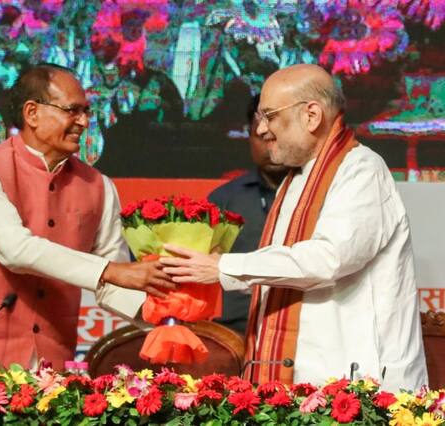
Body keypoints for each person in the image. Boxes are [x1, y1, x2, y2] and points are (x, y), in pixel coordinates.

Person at [161, 64, 427, 391]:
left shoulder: (361, 170)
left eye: (270, 116)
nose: (261, 129)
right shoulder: (297, 179)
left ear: (311, 115)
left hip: (359, 382)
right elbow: (285, 274)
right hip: (303, 382)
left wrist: (223, 267)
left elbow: (329, 258)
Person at [0, 64, 175, 375]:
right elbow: (16, 250)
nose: (83, 122)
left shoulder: (99, 186)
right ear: (32, 113)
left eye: (86, 111)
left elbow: (114, 283)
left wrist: (166, 314)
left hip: (50, 369)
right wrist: (112, 271)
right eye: (72, 110)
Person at [209, 94, 288, 334]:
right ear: (249, 136)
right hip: (235, 333)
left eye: (278, 135)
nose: (270, 144)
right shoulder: (223, 200)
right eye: (262, 136)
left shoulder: (320, 196)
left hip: (301, 330)